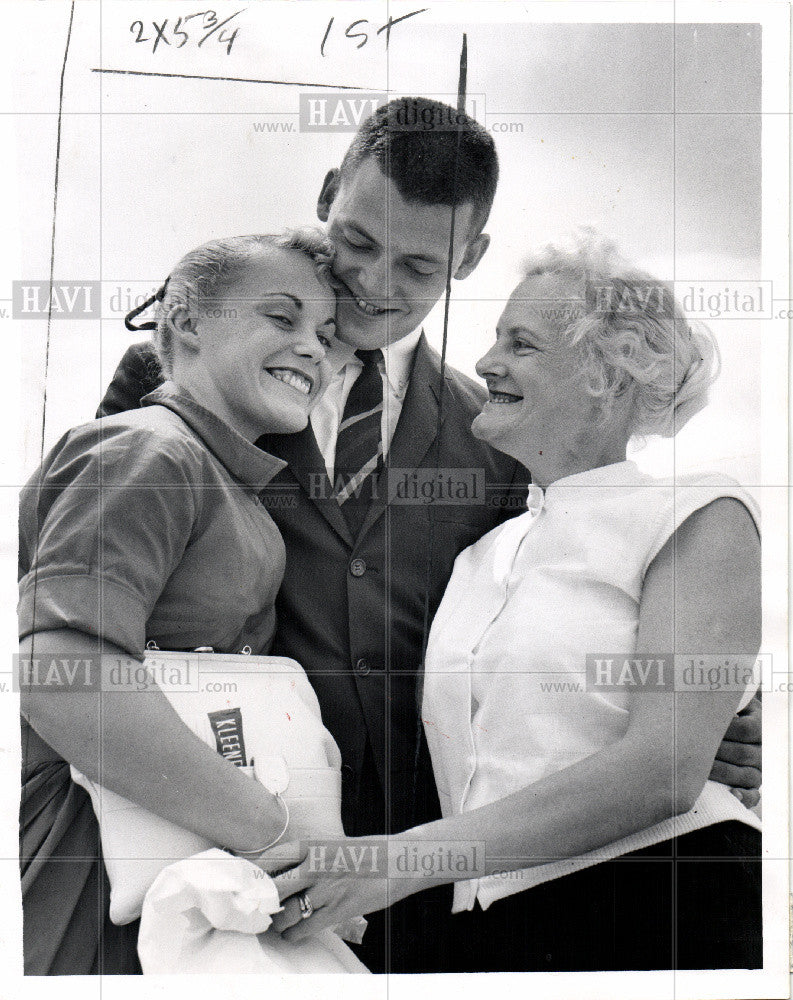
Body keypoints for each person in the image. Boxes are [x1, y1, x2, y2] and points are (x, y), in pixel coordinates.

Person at [96, 98, 761, 974]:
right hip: (224, 844)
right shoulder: (208, 366)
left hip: (432, 892)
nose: (375, 286)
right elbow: (96, 590)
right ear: (329, 194)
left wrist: (690, 723)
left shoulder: (492, 441)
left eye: (417, 266)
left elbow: (549, 650)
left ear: (469, 258)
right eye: (359, 243)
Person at [270, 235, 763, 971]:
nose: (484, 362)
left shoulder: (699, 510)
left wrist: (394, 862)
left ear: (611, 370)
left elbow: (662, 767)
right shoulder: (481, 555)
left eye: (521, 344)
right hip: (483, 932)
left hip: (663, 903)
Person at [19, 229, 342, 974]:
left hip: (178, 859)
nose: (312, 350)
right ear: (186, 321)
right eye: (282, 318)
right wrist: (273, 836)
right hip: (91, 857)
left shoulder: (220, 478)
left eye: (325, 335)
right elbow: (65, 678)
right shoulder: (151, 454)